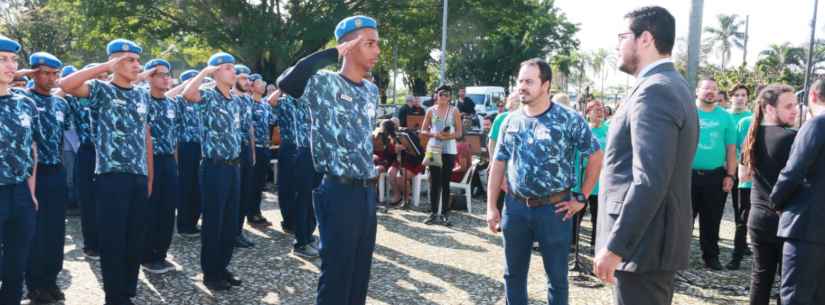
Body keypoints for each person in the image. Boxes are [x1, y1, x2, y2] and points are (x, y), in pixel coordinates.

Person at [593, 7, 698, 305]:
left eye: (622, 36)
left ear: (646, 39)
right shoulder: (669, 85)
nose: (617, 45)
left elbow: (650, 179)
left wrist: (616, 247)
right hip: (648, 244)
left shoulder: (655, 91)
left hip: (643, 247)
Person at [277, 15, 381, 305]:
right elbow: (286, 81)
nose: (377, 51)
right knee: (337, 275)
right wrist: (332, 53)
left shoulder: (372, 91)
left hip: (366, 191)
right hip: (338, 191)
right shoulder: (323, 82)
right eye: (370, 44)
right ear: (348, 45)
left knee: (361, 273)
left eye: (377, 44)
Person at [485, 58, 602, 305]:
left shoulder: (569, 119)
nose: (522, 87)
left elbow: (596, 156)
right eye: (520, 81)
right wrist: (491, 206)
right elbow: (498, 163)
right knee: (513, 275)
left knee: (557, 278)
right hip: (515, 208)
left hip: (554, 209)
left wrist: (581, 197)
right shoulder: (510, 120)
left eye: (529, 81)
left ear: (546, 85)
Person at [59, 38, 155, 305]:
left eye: (138, 59)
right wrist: (105, 65)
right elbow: (66, 85)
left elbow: (146, 136)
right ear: (114, 62)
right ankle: (115, 297)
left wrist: (149, 176)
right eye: (130, 60)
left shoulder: (141, 94)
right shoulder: (101, 89)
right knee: (113, 240)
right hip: (111, 177)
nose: (137, 65)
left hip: (137, 176)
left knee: (135, 237)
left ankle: (128, 288)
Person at [181, 52, 252, 291]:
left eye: (233, 68)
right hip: (214, 167)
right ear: (216, 72)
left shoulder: (234, 99)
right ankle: (210, 273)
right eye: (228, 68)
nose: (234, 72)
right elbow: (187, 94)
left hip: (233, 167)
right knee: (214, 222)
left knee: (230, 223)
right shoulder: (208, 96)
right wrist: (204, 73)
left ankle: (222, 266)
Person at [17, 52, 69, 304]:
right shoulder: (22, 99)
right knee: (34, 231)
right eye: (44, 73)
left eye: (54, 74)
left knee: (55, 231)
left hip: (56, 171)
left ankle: (50, 279)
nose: (50, 78)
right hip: (31, 174)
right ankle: (34, 284)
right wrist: (21, 75)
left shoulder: (61, 104)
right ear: (34, 73)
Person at [740, 84, 798, 305]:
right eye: (788, 106)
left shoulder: (753, 134)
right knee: (787, 282)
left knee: (761, 278)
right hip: (784, 221)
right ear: (770, 109)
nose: (795, 110)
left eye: (795, 105)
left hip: (758, 218)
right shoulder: (789, 138)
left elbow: (744, 176)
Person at [771, 79, 825, 305]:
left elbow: (793, 171)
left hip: (806, 225)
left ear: (812, 95)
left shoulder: (816, 125)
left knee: (795, 296)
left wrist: (776, 200)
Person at [0, 36, 40, 305]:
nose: (11, 65)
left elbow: (31, 148)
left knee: (16, 266)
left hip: (20, 194)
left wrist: (31, 192)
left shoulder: (24, 101)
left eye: (13, 59)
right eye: (2, 59)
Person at [690, 77, 737, 270]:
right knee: (683, 218)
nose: (711, 92)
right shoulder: (688, 112)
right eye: (706, 88)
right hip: (687, 175)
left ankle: (711, 256)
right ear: (697, 91)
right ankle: (677, 256)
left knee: (712, 219)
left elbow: (731, 149)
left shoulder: (726, 117)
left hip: (715, 177)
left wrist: (730, 175)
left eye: (714, 89)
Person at [141, 58, 181, 274]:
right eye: (161, 74)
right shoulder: (141, 101)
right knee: (150, 209)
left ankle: (161, 253)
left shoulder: (172, 103)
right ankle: (147, 255)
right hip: (149, 161)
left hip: (167, 161)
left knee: (167, 210)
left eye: (168, 74)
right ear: (149, 77)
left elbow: (173, 138)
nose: (167, 78)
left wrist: (174, 164)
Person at [67, 63, 107, 260]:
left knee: (108, 199)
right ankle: (91, 244)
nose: (102, 79)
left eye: (105, 76)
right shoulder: (75, 98)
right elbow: (59, 90)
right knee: (88, 199)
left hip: (108, 153)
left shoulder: (111, 96)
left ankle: (108, 240)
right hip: (87, 151)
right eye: (98, 76)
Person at [421, 85, 463, 226]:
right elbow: (423, 130)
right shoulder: (430, 111)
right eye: (441, 94)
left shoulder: (454, 111)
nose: (443, 97)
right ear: (436, 96)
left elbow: (459, 133)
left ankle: (445, 213)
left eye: (446, 95)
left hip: (449, 149)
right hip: (434, 148)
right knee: (434, 181)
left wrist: (447, 136)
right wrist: (434, 134)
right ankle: (433, 213)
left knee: (445, 182)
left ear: (450, 97)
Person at [572, 100, 608, 249]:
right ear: (588, 113)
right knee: (576, 214)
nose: (600, 112)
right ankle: (572, 243)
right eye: (596, 109)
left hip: (601, 182)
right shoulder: (583, 130)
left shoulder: (609, 130)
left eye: (602, 109)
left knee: (598, 216)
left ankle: (596, 245)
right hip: (583, 179)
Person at [727, 83, 754, 270]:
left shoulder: (751, 118)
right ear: (731, 97)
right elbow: (732, 146)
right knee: (734, 209)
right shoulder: (726, 116)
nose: (740, 98)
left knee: (742, 212)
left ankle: (742, 245)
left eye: (743, 95)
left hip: (746, 173)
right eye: (736, 95)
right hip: (729, 168)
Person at [175, 69, 203, 237]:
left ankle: (194, 221)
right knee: (187, 186)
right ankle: (185, 225)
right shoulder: (179, 101)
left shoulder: (200, 101)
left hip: (200, 146)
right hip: (185, 147)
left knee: (198, 186)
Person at [233, 64, 257, 249]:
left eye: (248, 79)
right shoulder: (228, 98)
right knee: (233, 194)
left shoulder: (248, 100)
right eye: (242, 78)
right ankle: (231, 232)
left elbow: (249, 127)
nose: (247, 82)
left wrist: (253, 152)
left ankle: (238, 230)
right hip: (233, 151)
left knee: (244, 192)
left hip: (246, 149)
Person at [248, 73, 275, 227]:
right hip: (254, 148)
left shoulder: (265, 104)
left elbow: (271, 122)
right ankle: (251, 213)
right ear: (251, 86)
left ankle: (256, 211)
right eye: (260, 82)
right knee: (251, 183)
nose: (264, 84)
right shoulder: (248, 104)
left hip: (265, 148)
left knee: (260, 183)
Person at [373, 119, 406, 206]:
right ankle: (371, 194)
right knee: (371, 168)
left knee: (377, 169)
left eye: (382, 127)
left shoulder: (395, 137)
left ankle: (374, 195)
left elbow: (393, 153)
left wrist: (395, 148)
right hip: (377, 160)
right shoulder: (377, 136)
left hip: (387, 161)